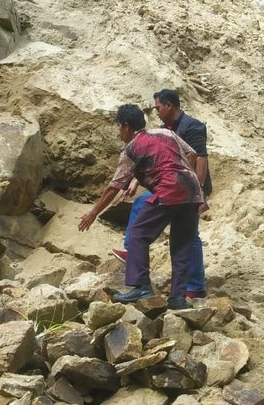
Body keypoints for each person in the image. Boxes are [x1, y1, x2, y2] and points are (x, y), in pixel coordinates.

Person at [78, 104, 204, 310]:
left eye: (119, 127)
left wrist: (93, 212)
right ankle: (178, 299)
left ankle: (141, 285)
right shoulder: (165, 133)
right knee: (181, 245)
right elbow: (191, 153)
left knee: (137, 233)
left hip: (169, 190)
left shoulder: (131, 149)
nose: (119, 132)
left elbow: (114, 187)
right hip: (193, 190)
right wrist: (180, 172)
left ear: (126, 126)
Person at [112, 89, 210, 299]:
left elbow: (199, 158)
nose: (156, 112)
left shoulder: (192, 126)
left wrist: (196, 189)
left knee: (187, 237)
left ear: (169, 105)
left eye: (158, 108)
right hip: (176, 189)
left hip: (187, 189)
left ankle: (194, 285)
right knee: (141, 205)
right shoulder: (165, 130)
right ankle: (136, 255)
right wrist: (136, 181)